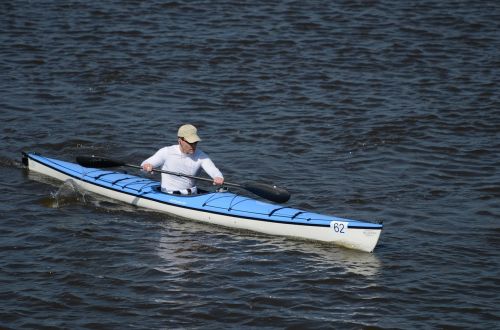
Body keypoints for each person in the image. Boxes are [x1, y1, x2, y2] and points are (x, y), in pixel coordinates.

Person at [141, 124, 224, 195]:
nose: (193, 145)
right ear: (180, 141)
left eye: (195, 142)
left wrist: (218, 177)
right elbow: (146, 164)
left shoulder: (201, 156)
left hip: (192, 195)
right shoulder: (166, 152)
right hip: (169, 194)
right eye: (190, 142)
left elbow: (212, 169)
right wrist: (147, 166)